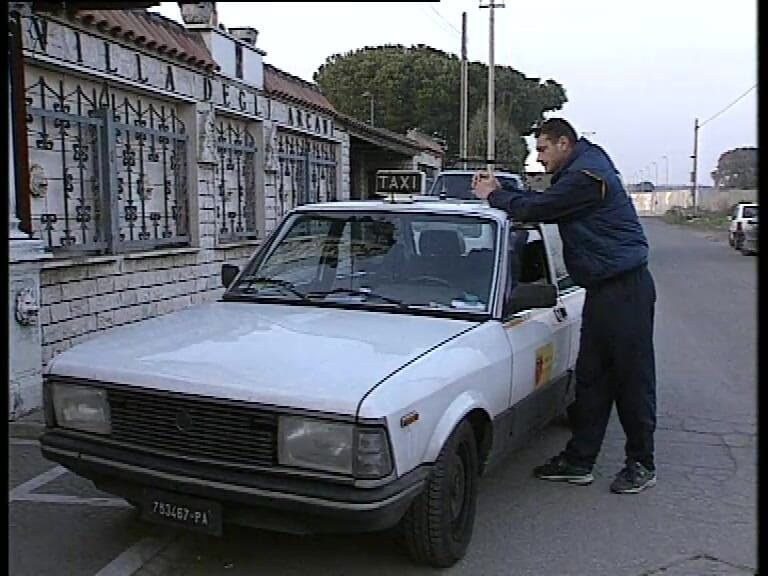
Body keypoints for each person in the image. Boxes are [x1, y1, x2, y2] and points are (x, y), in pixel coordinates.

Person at [472, 118, 657, 494]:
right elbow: (543, 200)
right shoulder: (580, 170)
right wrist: (506, 194)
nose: (538, 158)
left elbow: (542, 207)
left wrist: (494, 195)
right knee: (591, 378)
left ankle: (642, 463)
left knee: (632, 379)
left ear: (564, 143)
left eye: (542, 149)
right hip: (603, 290)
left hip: (626, 290)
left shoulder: (587, 177)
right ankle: (580, 461)